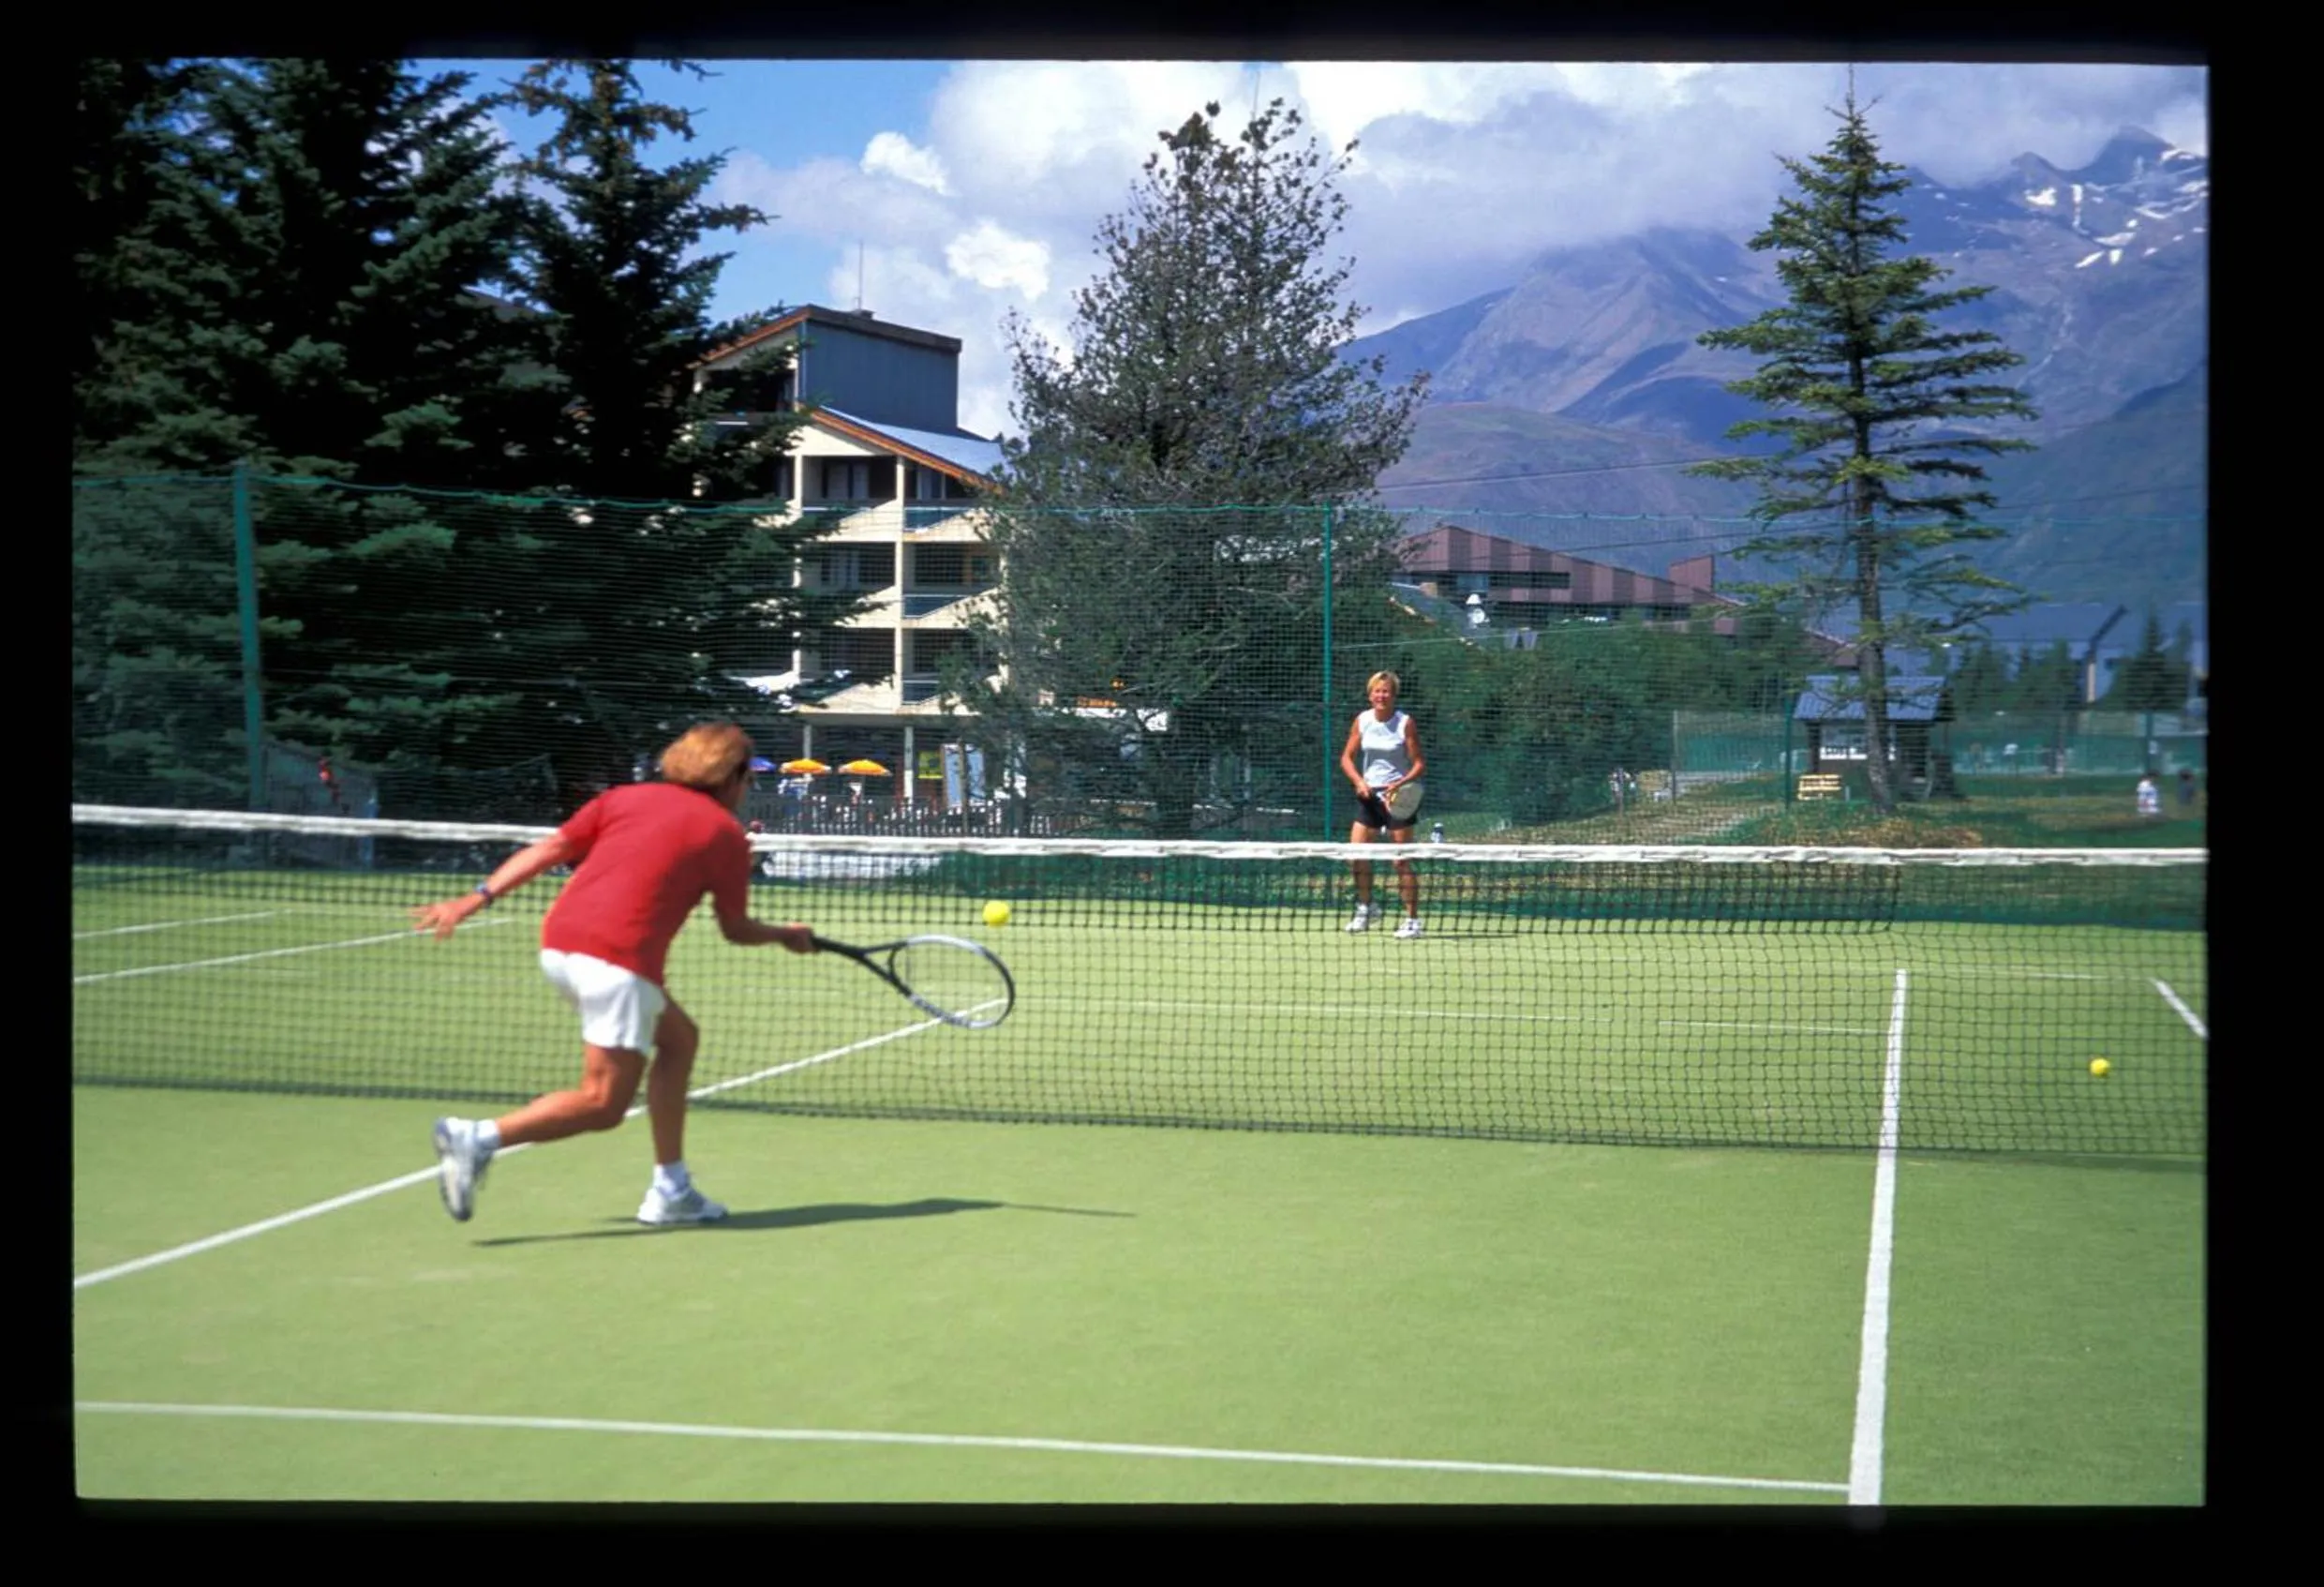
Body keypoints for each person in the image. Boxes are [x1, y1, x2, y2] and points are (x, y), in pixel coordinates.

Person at [410, 722, 816, 1227]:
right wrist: (785, 934)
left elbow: (548, 851)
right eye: (747, 779)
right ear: (731, 778)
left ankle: (671, 1188)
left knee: (680, 1040)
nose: (748, 789)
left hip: (559, 944)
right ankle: (478, 1138)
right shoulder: (724, 834)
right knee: (603, 1104)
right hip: (615, 963)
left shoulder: (625, 799)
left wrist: (473, 900)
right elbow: (734, 929)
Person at [1339, 670, 1426, 939]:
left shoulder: (1405, 723)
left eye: (1386, 691)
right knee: (1356, 855)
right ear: (1370, 694)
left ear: (1393, 695)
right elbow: (1346, 758)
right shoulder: (1363, 721)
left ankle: (1412, 921)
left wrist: (1399, 785)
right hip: (1368, 797)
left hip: (1398, 800)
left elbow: (1419, 763)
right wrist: (1359, 782)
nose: (1381, 695)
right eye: (1377, 691)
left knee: (1400, 862)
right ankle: (1367, 908)